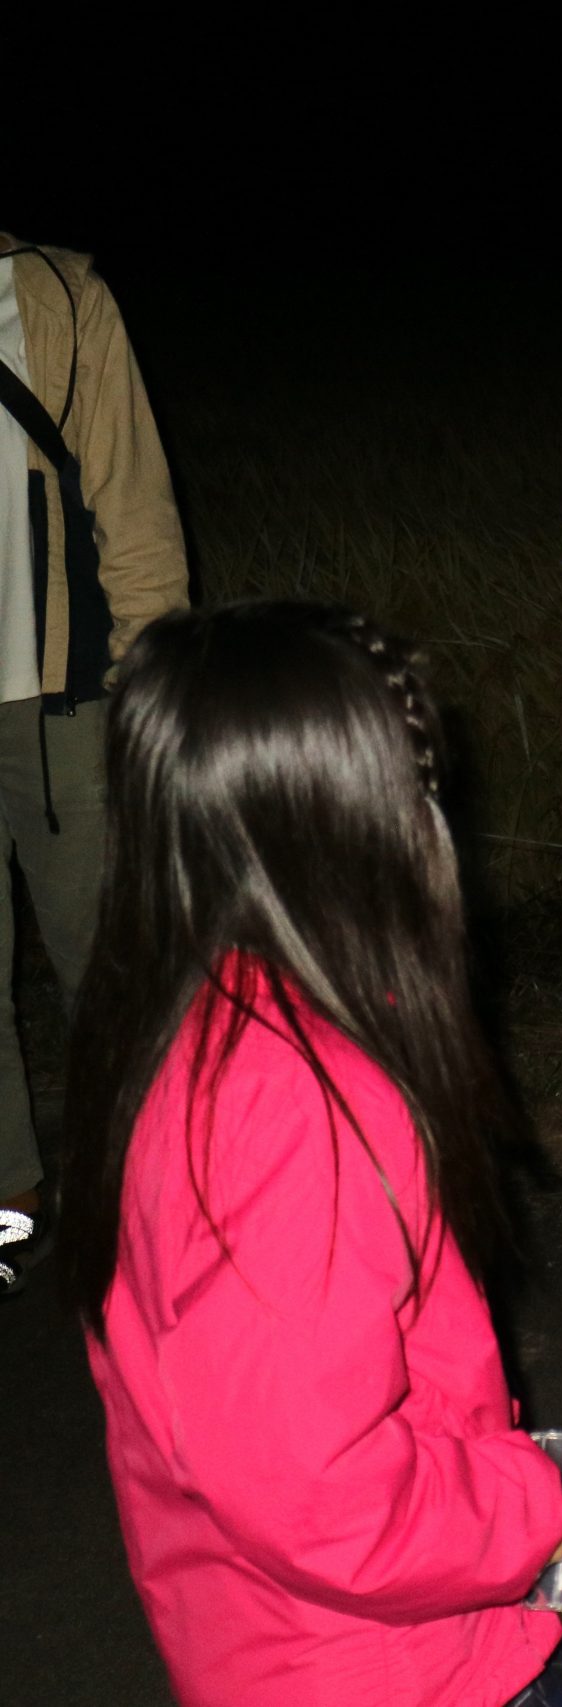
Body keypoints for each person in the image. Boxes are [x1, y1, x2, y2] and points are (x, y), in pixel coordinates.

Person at [59, 603, 562, 1705]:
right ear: (347, 816)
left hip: (281, 1638)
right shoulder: (299, 1103)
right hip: (393, 1664)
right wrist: (532, 1511)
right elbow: (314, 1490)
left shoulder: (168, 1020)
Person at [0, 235, 188, 1298]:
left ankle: (156, 1203)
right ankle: (9, 1212)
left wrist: (153, 682)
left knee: (114, 967)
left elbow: (133, 498)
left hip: (62, 694)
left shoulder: (61, 294)